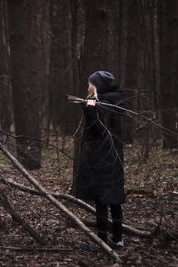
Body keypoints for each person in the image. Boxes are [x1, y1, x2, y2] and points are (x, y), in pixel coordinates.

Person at [75, 71, 126, 252]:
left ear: (97, 85)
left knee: (102, 200)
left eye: (91, 83)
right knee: (114, 199)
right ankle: (117, 240)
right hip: (113, 157)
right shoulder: (112, 102)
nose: (88, 86)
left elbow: (98, 129)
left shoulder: (103, 104)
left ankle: (103, 242)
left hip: (102, 159)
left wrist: (89, 108)